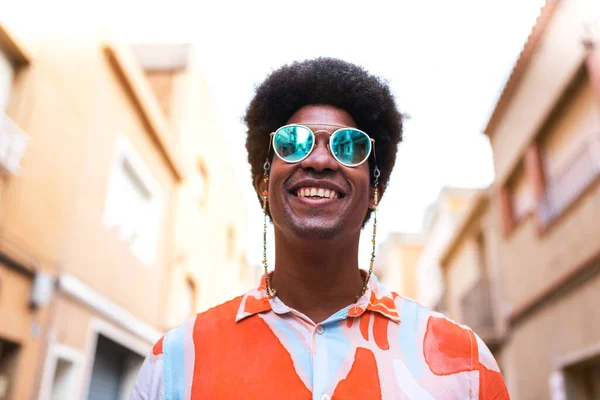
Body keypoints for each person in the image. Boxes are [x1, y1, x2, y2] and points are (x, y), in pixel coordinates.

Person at [131, 57, 509, 399]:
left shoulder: (466, 365)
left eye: (348, 146)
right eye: (293, 143)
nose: (319, 160)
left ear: (374, 189)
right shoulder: (175, 363)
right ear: (264, 184)